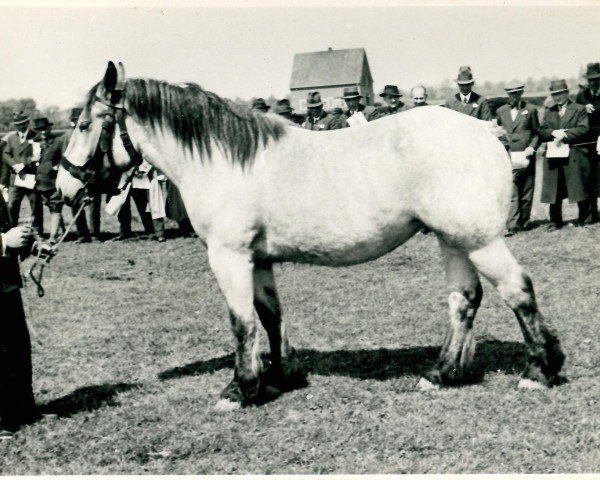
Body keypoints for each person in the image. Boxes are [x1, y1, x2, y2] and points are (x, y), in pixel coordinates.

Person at [0, 192, 37, 434]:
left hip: (6, 283)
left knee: (18, 349)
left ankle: (23, 411)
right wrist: (3, 241)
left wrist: (30, 244)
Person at [539, 79, 590, 229]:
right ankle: (555, 221)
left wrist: (566, 135)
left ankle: (584, 219)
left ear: (567, 93)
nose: (558, 97)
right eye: (555, 94)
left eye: (560, 93)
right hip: (555, 155)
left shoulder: (579, 109)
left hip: (573, 154)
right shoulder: (550, 112)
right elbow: (542, 131)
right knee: (554, 188)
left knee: (578, 187)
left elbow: (583, 128)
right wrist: (553, 132)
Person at [496, 80, 540, 236]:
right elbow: (499, 133)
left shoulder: (531, 110)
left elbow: (536, 133)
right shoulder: (501, 111)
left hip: (527, 155)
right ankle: (513, 224)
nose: (513, 96)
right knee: (512, 190)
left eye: (516, 93)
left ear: (521, 93)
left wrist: (532, 148)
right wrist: (503, 148)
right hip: (509, 157)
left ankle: (524, 220)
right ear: (507, 94)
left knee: (527, 190)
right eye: (511, 93)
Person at [61, 107, 102, 243]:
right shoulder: (68, 136)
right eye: (75, 120)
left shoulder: (93, 136)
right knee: (76, 204)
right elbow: (65, 158)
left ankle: (95, 233)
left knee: (94, 205)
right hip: (74, 174)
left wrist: (91, 171)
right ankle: (82, 234)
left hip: (91, 173)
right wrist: (77, 173)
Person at [2, 112, 43, 234]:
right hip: (16, 178)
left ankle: (38, 232)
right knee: (12, 205)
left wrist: (24, 164)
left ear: (27, 123)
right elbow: (6, 154)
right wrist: (14, 165)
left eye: (22, 124)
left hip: (31, 177)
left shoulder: (36, 136)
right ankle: (11, 230)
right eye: (17, 125)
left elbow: (37, 156)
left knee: (35, 206)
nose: (20, 127)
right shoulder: (11, 138)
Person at [32, 117, 65, 245]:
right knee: (43, 209)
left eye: (45, 129)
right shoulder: (35, 143)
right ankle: (47, 233)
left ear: (49, 128)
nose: (43, 132)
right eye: (40, 130)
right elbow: (26, 160)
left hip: (53, 181)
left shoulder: (58, 141)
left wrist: (54, 167)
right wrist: (32, 159)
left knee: (55, 207)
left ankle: (53, 237)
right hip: (39, 182)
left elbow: (64, 158)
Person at [575, 62, 600, 224]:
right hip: (585, 142)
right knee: (586, 178)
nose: (593, 82)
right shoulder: (581, 95)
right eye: (590, 79)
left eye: (596, 79)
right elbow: (576, 114)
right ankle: (587, 214)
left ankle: (596, 212)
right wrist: (584, 108)